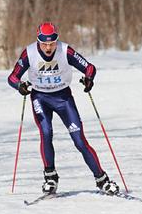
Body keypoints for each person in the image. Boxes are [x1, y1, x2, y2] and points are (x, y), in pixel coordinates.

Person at [8, 22, 119, 195]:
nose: (48, 47)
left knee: (79, 140)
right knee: (46, 132)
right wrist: (20, 86)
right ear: (38, 41)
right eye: (44, 43)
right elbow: (13, 77)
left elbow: (89, 67)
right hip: (40, 98)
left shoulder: (65, 50)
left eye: (52, 43)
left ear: (56, 40)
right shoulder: (29, 53)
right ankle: (50, 177)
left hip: (63, 98)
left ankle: (102, 179)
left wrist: (89, 79)